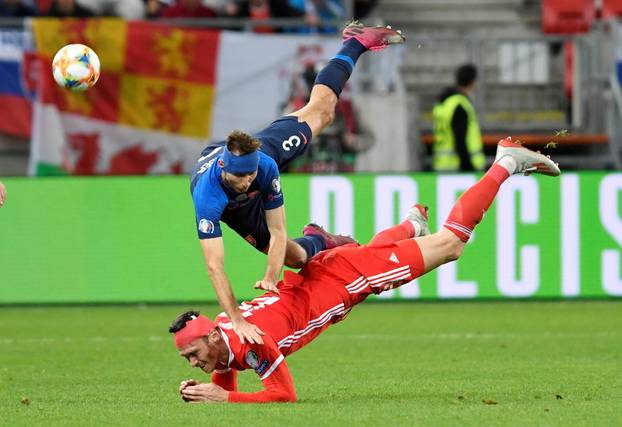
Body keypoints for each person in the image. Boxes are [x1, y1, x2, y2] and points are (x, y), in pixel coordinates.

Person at [171, 137, 560, 403]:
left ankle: (506, 162)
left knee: (451, 246)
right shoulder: (226, 331)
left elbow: (283, 395)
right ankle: (410, 228)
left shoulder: (250, 341)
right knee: (370, 255)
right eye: (188, 358)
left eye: (193, 352)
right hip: (322, 276)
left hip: (343, 280)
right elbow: (225, 367)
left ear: (212, 335)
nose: (193, 362)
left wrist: (225, 397)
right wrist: (207, 393)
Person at [189, 21, 405, 346]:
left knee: (322, 112)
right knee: (296, 258)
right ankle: (317, 240)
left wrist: (270, 277)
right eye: (240, 177)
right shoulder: (209, 196)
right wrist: (236, 319)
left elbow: (277, 229)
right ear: (223, 168)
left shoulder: (264, 165)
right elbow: (214, 265)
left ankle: (356, 43)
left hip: (267, 149)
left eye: (250, 176)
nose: (247, 182)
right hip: (235, 210)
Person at [432, 63, 485, 172]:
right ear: (472, 82)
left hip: (442, 163)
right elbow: (460, 139)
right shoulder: (460, 105)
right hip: (458, 167)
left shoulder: (444, 102)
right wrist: (468, 167)